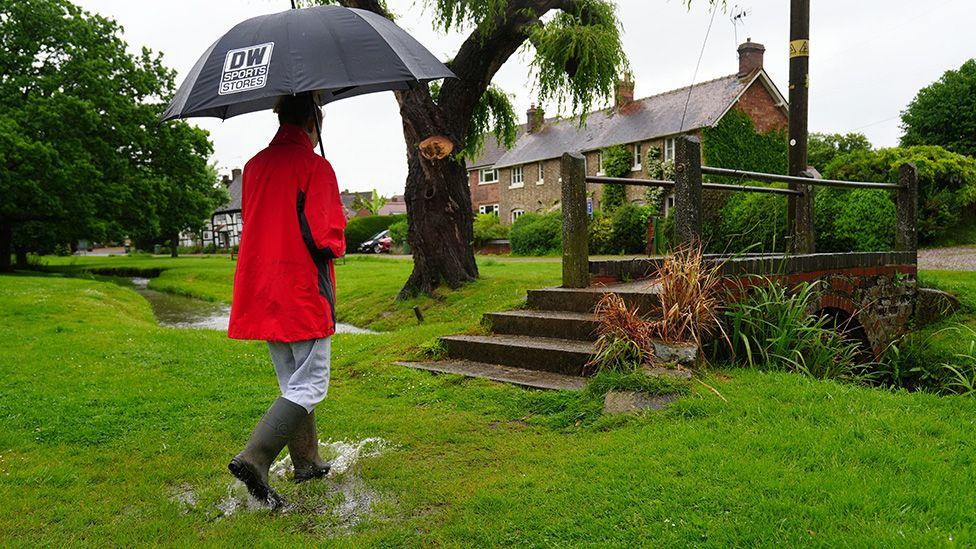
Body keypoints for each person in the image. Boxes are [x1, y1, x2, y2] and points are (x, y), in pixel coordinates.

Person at [226, 92, 346, 509]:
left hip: (263, 289)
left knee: (292, 382)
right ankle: (255, 458)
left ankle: (307, 462)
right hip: (301, 290)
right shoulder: (315, 166)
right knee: (311, 384)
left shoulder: (255, 167)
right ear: (314, 122)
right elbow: (327, 238)